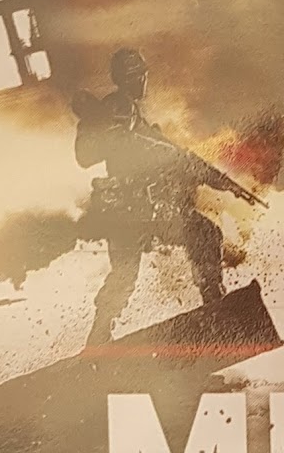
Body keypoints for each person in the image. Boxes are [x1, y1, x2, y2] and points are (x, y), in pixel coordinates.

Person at [75, 48, 263, 346]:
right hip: (137, 208)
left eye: (142, 75)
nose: (142, 81)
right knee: (204, 233)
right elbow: (88, 155)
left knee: (124, 275)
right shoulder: (116, 111)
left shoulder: (134, 119)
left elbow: (178, 160)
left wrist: (219, 181)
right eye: (138, 76)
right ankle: (214, 307)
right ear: (129, 78)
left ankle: (98, 337)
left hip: (128, 212)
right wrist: (108, 131)